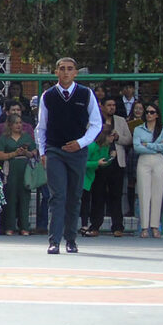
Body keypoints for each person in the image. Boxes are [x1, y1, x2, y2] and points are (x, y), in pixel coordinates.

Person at [36, 57, 102, 254]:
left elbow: (97, 124)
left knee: (74, 196)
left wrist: (80, 143)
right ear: (56, 72)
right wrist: (42, 152)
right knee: (57, 196)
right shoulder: (48, 95)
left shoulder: (86, 93)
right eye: (62, 69)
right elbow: (41, 127)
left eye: (70, 69)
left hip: (77, 152)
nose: (65, 72)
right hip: (55, 150)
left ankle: (71, 239)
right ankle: (54, 240)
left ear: (76, 73)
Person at [0, 114, 37, 235]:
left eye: (20, 122)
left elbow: (34, 153)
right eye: (16, 123)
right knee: (11, 196)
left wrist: (26, 152)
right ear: (10, 125)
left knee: (25, 197)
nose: (19, 125)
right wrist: (13, 153)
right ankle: (10, 226)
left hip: (25, 169)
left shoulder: (27, 137)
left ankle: (24, 226)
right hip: (11, 169)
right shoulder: (4, 138)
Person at [96, 98, 131, 236]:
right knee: (98, 194)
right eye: (109, 105)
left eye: (114, 105)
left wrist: (117, 138)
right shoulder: (95, 119)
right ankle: (95, 226)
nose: (112, 107)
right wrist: (104, 138)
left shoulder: (121, 120)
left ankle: (117, 227)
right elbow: (89, 136)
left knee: (116, 195)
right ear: (102, 107)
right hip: (100, 160)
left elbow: (128, 139)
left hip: (117, 162)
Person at [133, 103, 163, 238]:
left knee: (158, 193)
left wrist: (147, 145)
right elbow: (137, 147)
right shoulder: (138, 129)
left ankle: (155, 226)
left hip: (159, 160)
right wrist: (155, 147)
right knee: (143, 193)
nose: (149, 114)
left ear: (157, 115)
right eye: (147, 112)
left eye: (152, 112)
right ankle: (144, 227)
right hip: (144, 160)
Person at [81, 120, 115, 237]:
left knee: (98, 200)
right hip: (85, 177)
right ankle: (84, 224)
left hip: (96, 176)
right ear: (105, 136)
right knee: (84, 201)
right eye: (112, 135)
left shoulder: (106, 147)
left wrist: (110, 159)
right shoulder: (92, 146)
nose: (113, 138)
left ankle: (94, 225)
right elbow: (83, 163)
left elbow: (104, 162)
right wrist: (97, 163)